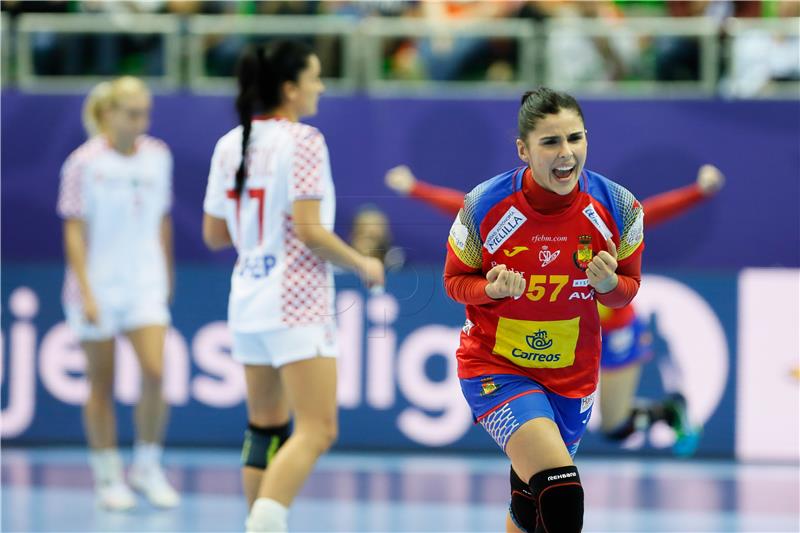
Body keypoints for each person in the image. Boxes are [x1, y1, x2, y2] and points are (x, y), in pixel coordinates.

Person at [386, 159, 725, 457]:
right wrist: (415, 189)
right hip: (565, 339)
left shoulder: (606, 220)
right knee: (579, 427)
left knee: (614, 427)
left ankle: (670, 409)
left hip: (615, 329)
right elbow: (468, 213)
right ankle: (663, 413)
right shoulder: (507, 217)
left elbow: (652, 211)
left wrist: (699, 192)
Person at [441, 87, 644, 533]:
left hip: (572, 374)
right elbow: (455, 283)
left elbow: (625, 293)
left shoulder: (620, 207)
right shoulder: (485, 206)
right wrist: (489, 289)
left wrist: (609, 284)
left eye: (575, 138)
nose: (566, 153)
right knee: (561, 489)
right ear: (524, 149)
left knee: (529, 505)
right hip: (495, 367)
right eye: (550, 142)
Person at [201, 41, 384, 533]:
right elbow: (309, 230)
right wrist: (363, 264)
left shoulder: (229, 143)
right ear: (289, 88)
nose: (320, 87)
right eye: (315, 77)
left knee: (265, 425)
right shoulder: (303, 140)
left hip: (248, 297)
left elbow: (215, 235)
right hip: (296, 300)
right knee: (317, 429)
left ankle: (258, 520)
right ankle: (264, 522)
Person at [57, 76, 179, 511]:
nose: (141, 121)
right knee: (101, 383)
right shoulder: (82, 164)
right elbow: (74, 231)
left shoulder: (158, 156)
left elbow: (163, 219)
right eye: (132, 113)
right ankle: (108, 475)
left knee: (155, 372)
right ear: (108, 114)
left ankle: (146, 466)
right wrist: (87, 292)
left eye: (145, 112)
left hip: (144, 284)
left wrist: (166, 274)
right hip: (96, 288)